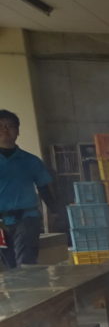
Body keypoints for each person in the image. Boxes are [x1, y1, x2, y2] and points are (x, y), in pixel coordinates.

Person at [0, 109, 61, 269]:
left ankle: (30, 285)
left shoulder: (31, 161)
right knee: (8, 265)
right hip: (1, 222)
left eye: (9, 126)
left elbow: (44, 187)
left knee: (26, 263)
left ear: (17, 131)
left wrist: (55, 211)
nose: (5, 130)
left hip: (26, 218)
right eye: (0, 126)